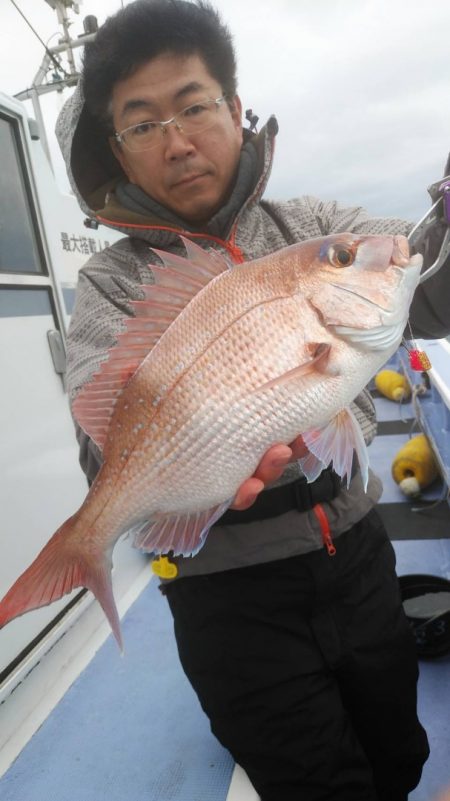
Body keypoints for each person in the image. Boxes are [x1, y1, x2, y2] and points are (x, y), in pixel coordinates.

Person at [56, 1, 450, 798]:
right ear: (118, 154)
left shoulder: (317, 227)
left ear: (236, 110)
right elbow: (103, 436)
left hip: (358, 552)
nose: (176, 140)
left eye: (194, 105)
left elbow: (420, 279)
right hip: (225, 597)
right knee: (311, 781)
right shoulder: (109, 283)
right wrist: (190, 447)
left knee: (399, 752)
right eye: (141, 124)